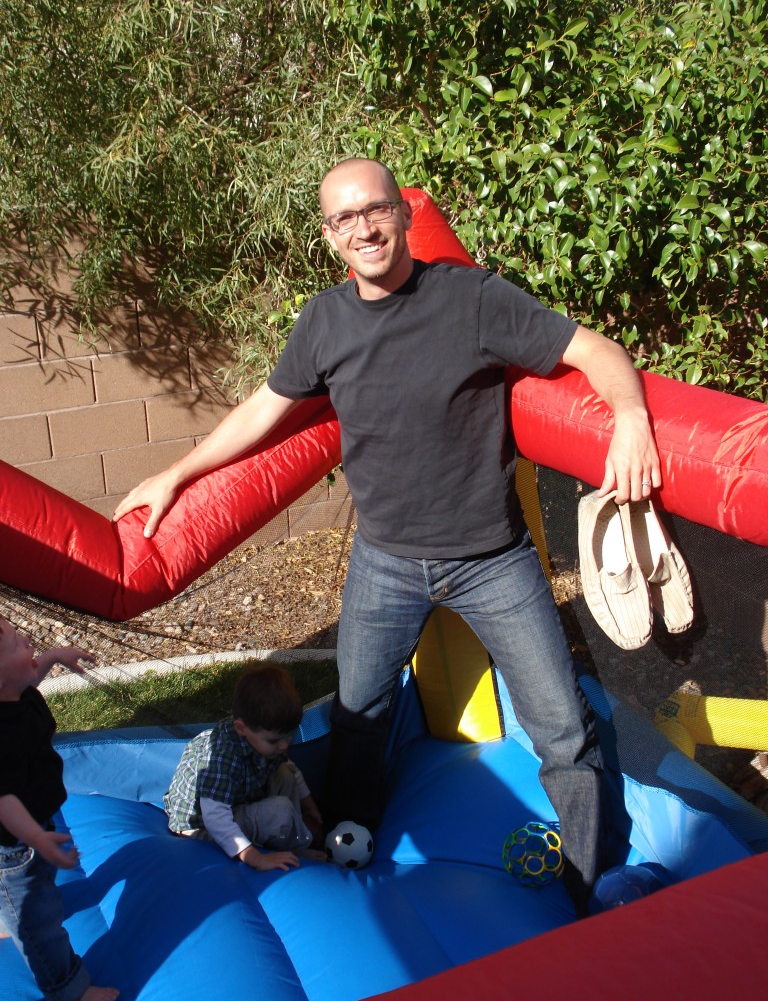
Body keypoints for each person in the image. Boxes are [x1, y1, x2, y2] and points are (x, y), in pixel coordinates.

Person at [114, 157, 661, 914]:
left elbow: (594, 350)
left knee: (564, 728)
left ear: (403, 213)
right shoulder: (323, 322)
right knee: (358, 718)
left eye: (375, 210)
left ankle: (593, 886)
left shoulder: (472, 298)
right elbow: (263, 410)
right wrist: (175, 474)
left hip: (492, 560)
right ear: (329, 235)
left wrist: (631, 418)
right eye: (344, 218)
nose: (363, 229)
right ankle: (347, 850)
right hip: (386, 563)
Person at [0, 615, 120, 1001]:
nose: (26, 639)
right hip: (16, 846)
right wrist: (36, 838)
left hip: (31, 827)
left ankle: (6, 904)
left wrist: (51, 657)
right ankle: (69, 992)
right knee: (39, 925)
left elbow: (25, 681)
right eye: (16, 643)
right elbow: (4, 802)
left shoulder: (13, 694)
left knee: (31, 893)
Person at [164, 665, 325, 871]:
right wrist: (256, 858)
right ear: (241, 728)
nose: (284, 745)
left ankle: (295, 835)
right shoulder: (223, 757)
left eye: (289, 736)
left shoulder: (263, 738)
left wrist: (310, 807)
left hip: (236, 802)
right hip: (202, 827)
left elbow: (289, 768)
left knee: (284, 773)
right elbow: (215, 818)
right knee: (280, 811)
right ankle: (300, 845)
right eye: (274, 740)